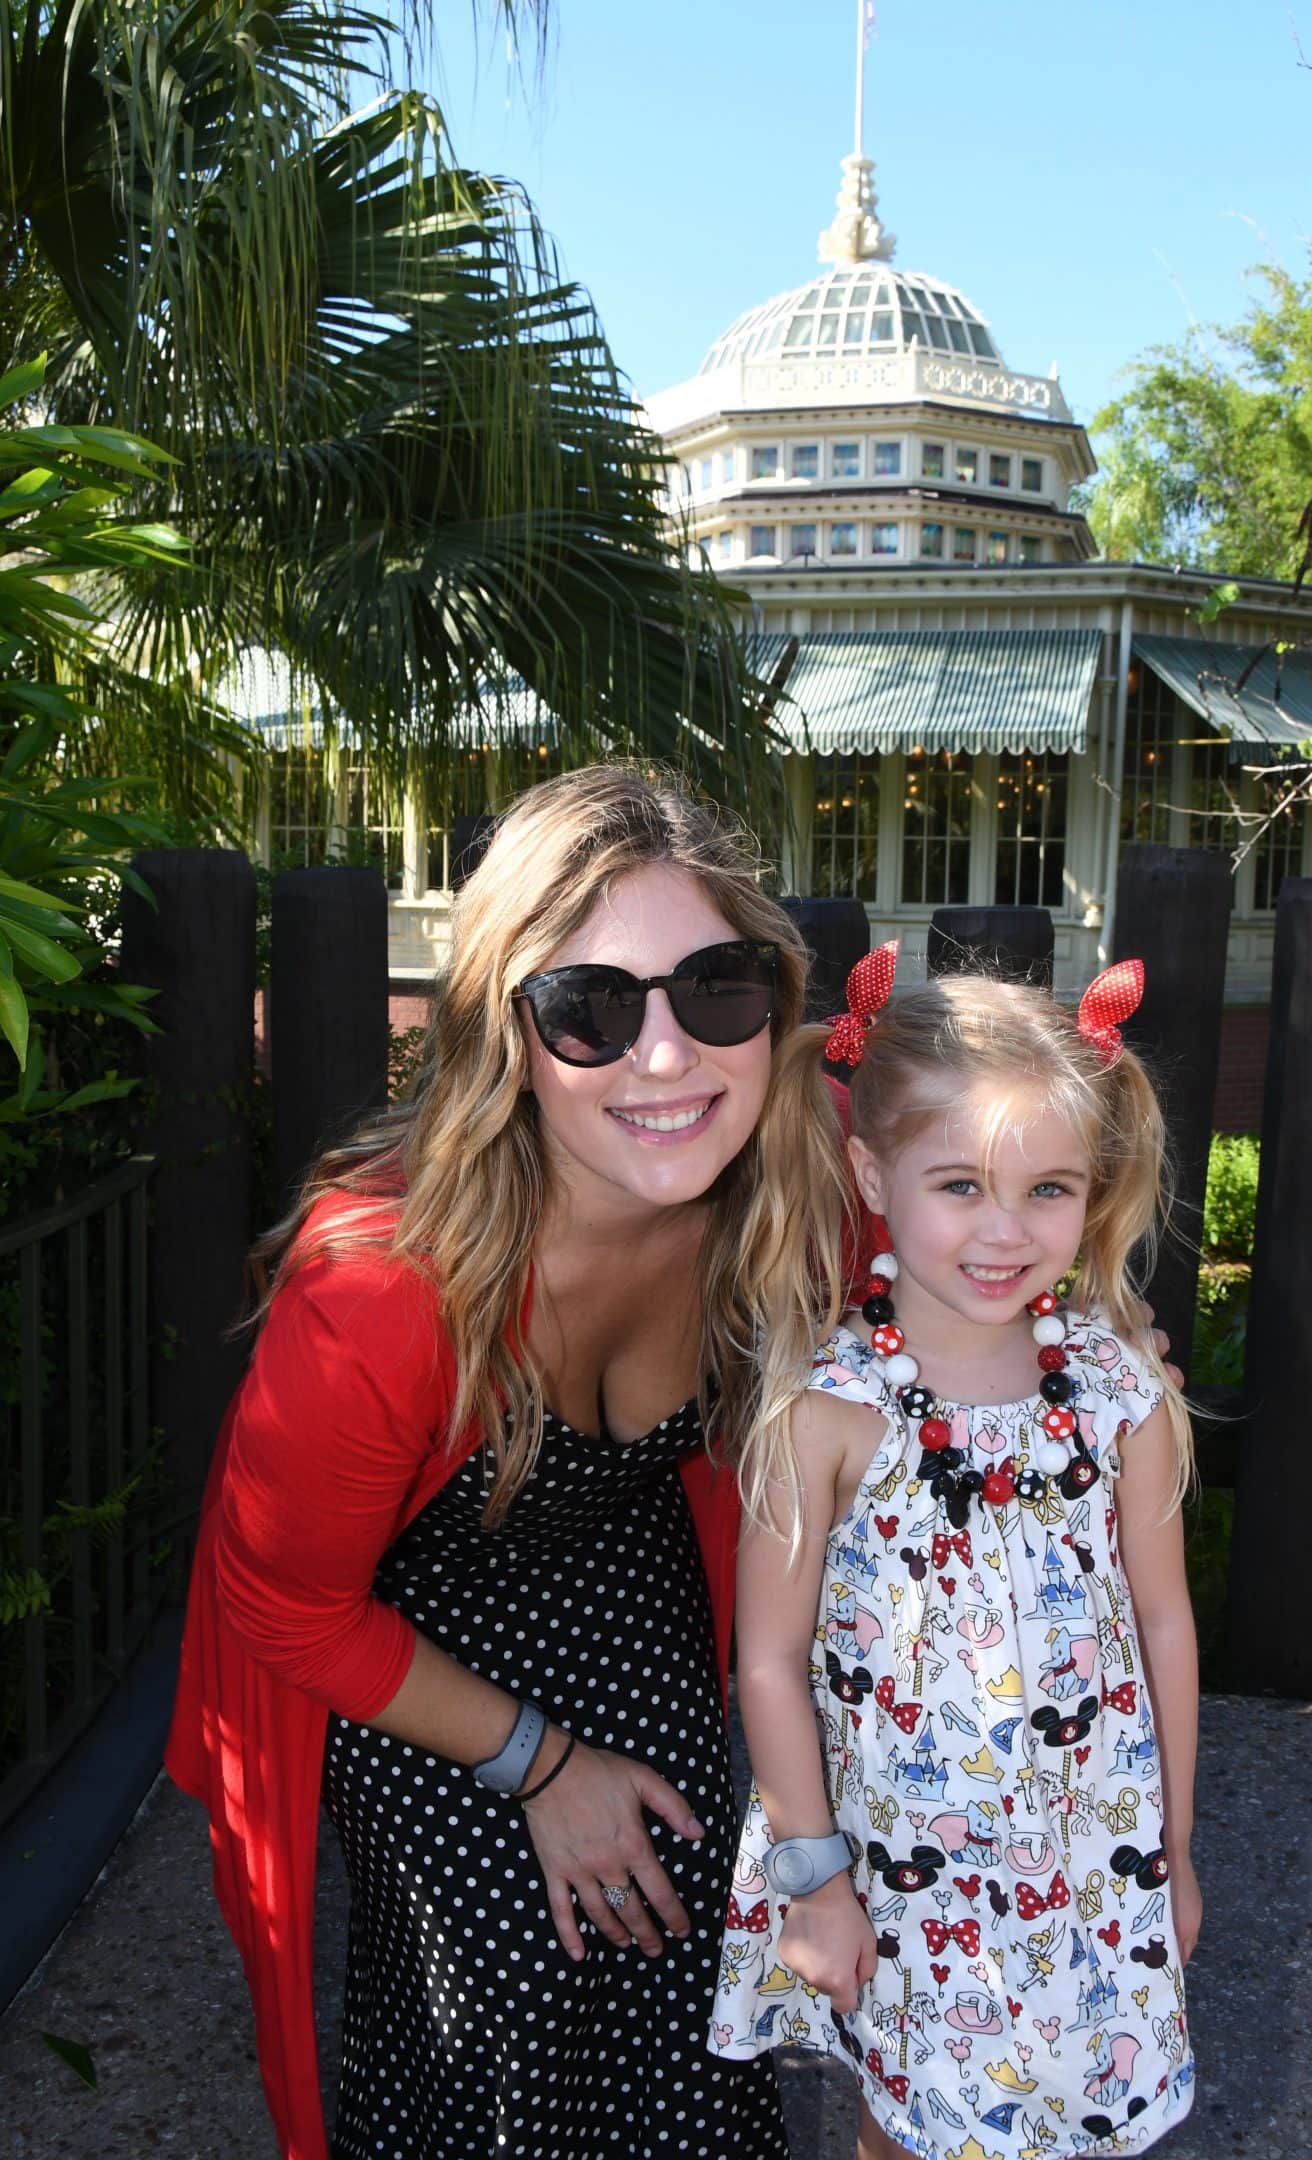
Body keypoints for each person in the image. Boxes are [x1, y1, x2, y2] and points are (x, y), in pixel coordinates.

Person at [165, 766, 862, 2160]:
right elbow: (285, 1605)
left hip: (622, 1571)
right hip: (398, 1636)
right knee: (501, 2004)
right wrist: (542, 1768)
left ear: (775, 1012)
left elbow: (978, 1260)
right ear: (506, 1038)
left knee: (687, 1958)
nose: (665, 1058)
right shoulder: (379, 1303)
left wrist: (1094, 1329)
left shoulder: (793, 1187)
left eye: (715, 990)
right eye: (591, 1010)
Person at [711, 952, 1201, 2160]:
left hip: (1088, 1868)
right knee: (911, 2128)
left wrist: (1175, 1855)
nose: (1004, 1229)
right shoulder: (826, 1406)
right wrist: (815, 1879)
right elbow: (767, 1662)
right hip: (899, 1880)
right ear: (872, 1173)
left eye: (1048, 1189)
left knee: (1078, 2113)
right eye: (959, 1184)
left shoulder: (1117, 1391)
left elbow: (1166, 1629)